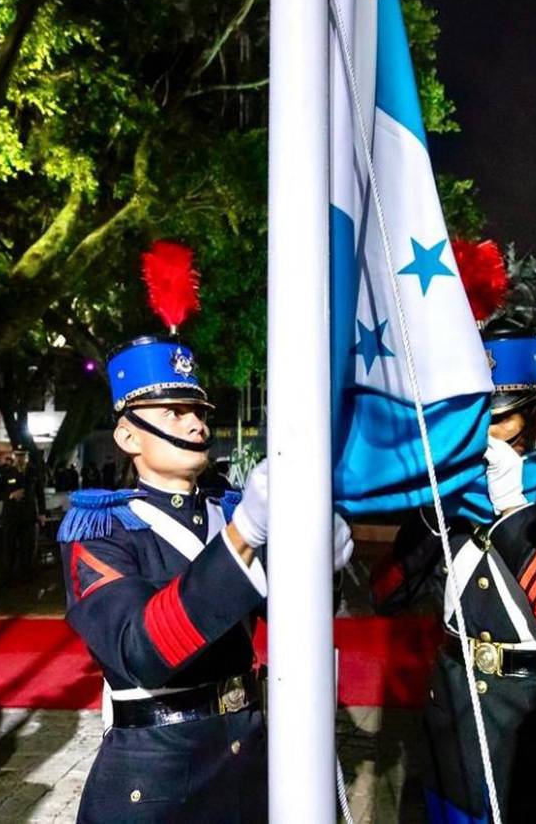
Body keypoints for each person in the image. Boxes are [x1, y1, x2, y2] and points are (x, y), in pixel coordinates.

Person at [58, 332, 352, 821]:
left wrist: (320, 569)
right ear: (128, 436)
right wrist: (241, 539)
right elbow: (140, 651)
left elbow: (290, 621)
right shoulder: (101, 528)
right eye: (174, 412)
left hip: (247, 757)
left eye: (198, 412)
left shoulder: (228, 513)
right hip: (158, 774)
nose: (195, 424)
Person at [370, 325, 536, 823]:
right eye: (473, 419)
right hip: (453, 704)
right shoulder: (450, 493)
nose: (483, 434)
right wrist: (431, 513)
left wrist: (512, 514)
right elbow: (390, 594)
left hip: (534, 712)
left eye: (500, 418)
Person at [0, 450, 43, 583]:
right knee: (9, 546)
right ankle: (8, 574)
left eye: (22, 456)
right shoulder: (7, 472)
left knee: (27, 546)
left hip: (28, 515)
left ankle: (26, 572)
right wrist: (11, 495)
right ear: (14, 456)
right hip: (11, 515)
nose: (20, 458)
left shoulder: (33, 472)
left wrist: (42, 513)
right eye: (18, 456)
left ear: (26, 457)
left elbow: (39, 493)